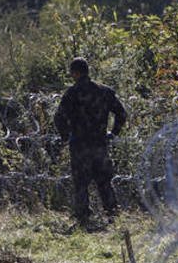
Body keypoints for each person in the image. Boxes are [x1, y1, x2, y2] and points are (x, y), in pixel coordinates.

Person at [54, 57, 127, 227]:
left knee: (81, 183)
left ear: (75, 73)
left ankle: (83, 218)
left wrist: (66, 136)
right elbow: (121, 114)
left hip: (79, 144)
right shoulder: (105, 91)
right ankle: (113, 215)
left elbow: (59, 118)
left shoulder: (72, 93)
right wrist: (113, 133)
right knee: (104, 181)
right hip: (100, 143)